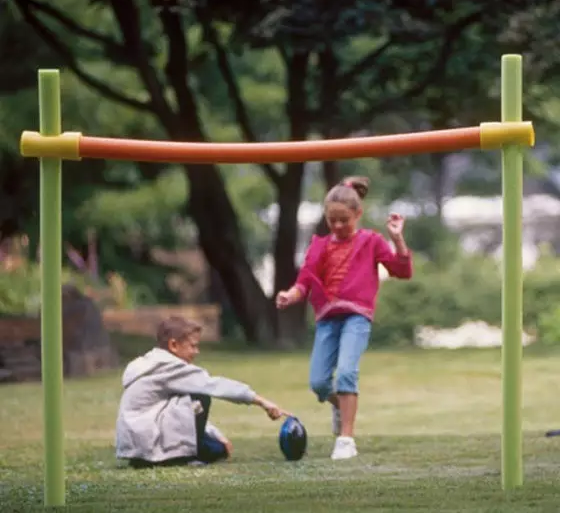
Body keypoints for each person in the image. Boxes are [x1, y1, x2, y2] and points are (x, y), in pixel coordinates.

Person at [275, 176, 413, 460]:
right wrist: (291, 295)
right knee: (320, 383)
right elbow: (305, 281)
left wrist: (397, 238)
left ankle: (346, 439)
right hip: (328, 319)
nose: (337, 226)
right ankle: (340, 405)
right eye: (332, 220)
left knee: (347, 373)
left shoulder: (371, 241)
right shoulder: (319, 246)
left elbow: (401, 270)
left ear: (357, 214)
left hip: (357, 317)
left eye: (344, 220)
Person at [115, 315, 289, 467]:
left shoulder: (151, 363)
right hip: (149, 443)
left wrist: (216, 434)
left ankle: (178, 453)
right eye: (193, 346)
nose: (196, 352)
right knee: (201, 400)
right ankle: (185, 456)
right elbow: (215, 385)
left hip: (137, 445)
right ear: (174, 345)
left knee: (213, 438)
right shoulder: (170, 367)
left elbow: (184, 411)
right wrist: (261, 401)